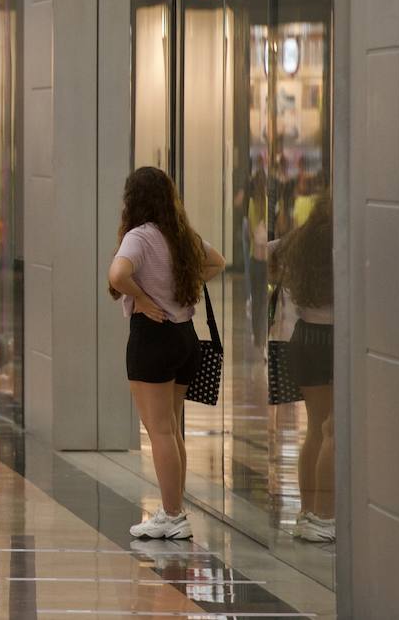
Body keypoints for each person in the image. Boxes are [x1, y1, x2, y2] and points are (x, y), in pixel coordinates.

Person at [106, 166, 226, 540]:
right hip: (185, 336)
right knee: (171, 429)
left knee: (158, 431)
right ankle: (175, 509)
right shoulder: (180, 235)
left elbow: (116, 275)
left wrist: (143, 298)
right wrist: (183, 284)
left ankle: (172, 515)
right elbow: (218, 262)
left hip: (153, 338)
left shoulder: (139, 237)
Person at [271, 193, 334, 543]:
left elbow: (270, 252)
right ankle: (326, 517)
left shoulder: (299, 242)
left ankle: (308, 512)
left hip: (304, 338)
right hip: (334, 339)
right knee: (334, 431)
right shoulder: (339, 244)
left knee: (314, 428)